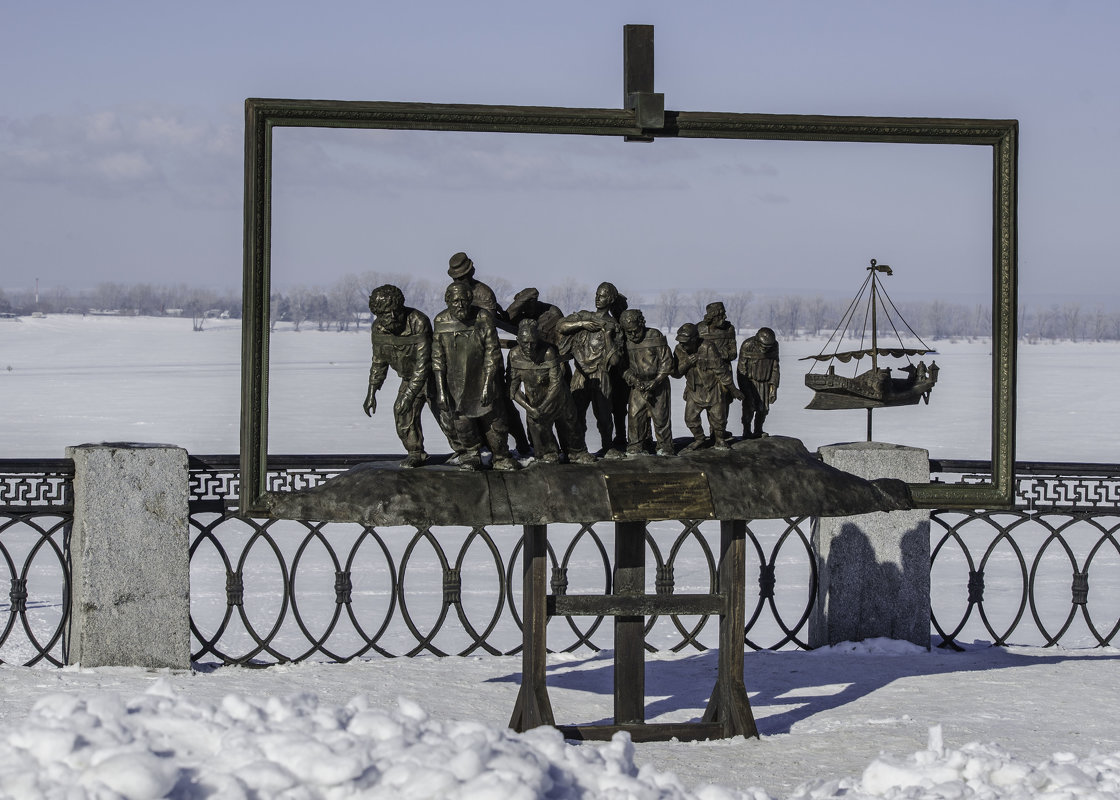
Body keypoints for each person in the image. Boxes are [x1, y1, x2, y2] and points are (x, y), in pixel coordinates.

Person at [431, 282, 519, 471]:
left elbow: (492, 352)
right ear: (448, 302)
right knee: (462, 422)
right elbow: (438, 358)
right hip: (456, 383)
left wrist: (488, 384)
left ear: (470, 300)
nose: (460, 305)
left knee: (495, 422)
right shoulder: (441, 321)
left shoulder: (483, 317)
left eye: (464, 300)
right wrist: (440, 390)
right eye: (455, 301)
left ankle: (501, 456)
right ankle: (471, 455)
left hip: (483, 378)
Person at [362, 285, 435, 468]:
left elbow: (423, 363)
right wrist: (372, 392)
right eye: (386, 314)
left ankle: (468, 452)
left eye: (396, 311)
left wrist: (409, 396)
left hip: (433, 377)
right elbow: (379, 362)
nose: (393, 317)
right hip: (409, 378)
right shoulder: (378, 329)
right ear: (378, 314)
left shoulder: (418, 321)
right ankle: (415, 453)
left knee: (449, 419)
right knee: (402, 413)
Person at [556, 282, 628, 457]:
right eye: (596, 294)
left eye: (602, 295)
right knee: (576, 414)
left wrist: (607, 336)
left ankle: (608, 446)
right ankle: (577, 449)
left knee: (604, 415)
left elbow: (616, 359)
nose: (598, 298)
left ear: (610, 299)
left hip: (601, 373)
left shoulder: (614, 326)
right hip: (580, 373)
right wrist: (582, 324)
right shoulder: (585, 316)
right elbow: (560, 326)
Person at [507, 319, 593, 464]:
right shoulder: (514, 355)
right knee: (539, 429)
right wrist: (530, 408)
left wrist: (543, 406)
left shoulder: (548, 352)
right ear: (518, 340)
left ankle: (576, 452)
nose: (529, 347)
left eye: (533, 342)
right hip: (535, 400)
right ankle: (548, 453)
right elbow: (512, 389)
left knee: (570, 425)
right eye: (525, 342)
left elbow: (556, 383)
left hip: (558, 397)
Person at [673, 322, 744, 451]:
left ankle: (719, 440)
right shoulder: (679, 350)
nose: (682, 345)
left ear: (695, 339)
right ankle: (700, 439)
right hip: (694, 390)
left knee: (718, 418)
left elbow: (721, 370)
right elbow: (676, 373)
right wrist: (687, 362)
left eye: (685, 342)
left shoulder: (708, 347)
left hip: (712, 389)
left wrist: (733, 389)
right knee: (690, 418)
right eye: (680, 341)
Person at [619, 309, 674, 457]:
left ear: (642, 323)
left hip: (658, 383)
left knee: (660, 416)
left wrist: (656, 381)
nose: (632, 335)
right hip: (638, 385)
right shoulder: (625, 340)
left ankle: (665, 445)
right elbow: (622, 367)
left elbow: (667, 363)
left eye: (635, 331)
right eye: (628, 332)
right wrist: (634, 380)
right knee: (635, 415)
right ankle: (636, 444)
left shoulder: (654, 336)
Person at [737, 326, 780, 438]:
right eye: (763, 346)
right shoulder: (748, 345)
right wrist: (744, 389)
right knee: (749, 408)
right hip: (750, 383)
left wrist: (773, 389)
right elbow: (741, 369)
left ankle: (758, 430)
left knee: (763, 409)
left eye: (768, 347)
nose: (766, 349)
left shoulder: (774, 346)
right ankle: (746, 431)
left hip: (765, 383)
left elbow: (775, 368)